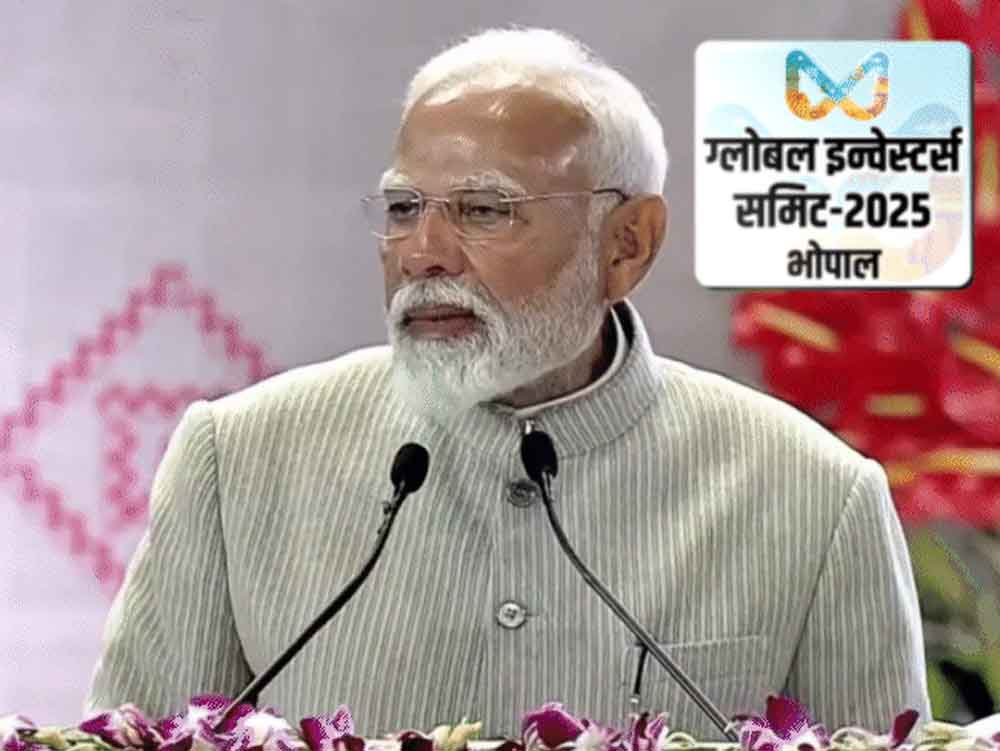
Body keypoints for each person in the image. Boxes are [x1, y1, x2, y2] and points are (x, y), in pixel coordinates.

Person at [84, 27, 932, 739]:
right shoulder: (237, 457)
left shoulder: (816, 498)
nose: (423, 253)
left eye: (484, 210)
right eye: (405, 208)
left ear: (627, 243)